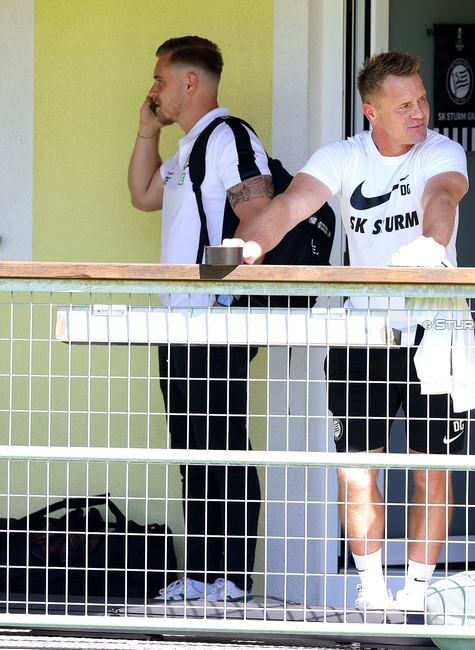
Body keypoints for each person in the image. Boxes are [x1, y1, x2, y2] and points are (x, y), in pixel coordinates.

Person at [224, 50, 470, 612]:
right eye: (404, 105)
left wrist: (431, 247)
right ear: (370, 112)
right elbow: (292, 204)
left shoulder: (442, 149)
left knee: (432, 470)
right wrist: (250, 245)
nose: (419, 112)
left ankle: (416, 596)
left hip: (435, 330)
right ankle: (372, 592)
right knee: (357, 470)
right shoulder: (343, 156)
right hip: (362, 331)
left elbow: (443, 195)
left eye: (422, 99)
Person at [127, 36, 268, 602]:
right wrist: (148, 131)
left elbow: (257, 215)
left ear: (190, 82)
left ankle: (230, 577)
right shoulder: (188, 147)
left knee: (222, 443)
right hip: (178, 322)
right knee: (192, 446)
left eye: (160, 79)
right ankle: (203, 572)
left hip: (215, 318)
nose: (153, 89)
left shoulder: (230, 136)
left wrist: (216, 296)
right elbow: (143, 195)